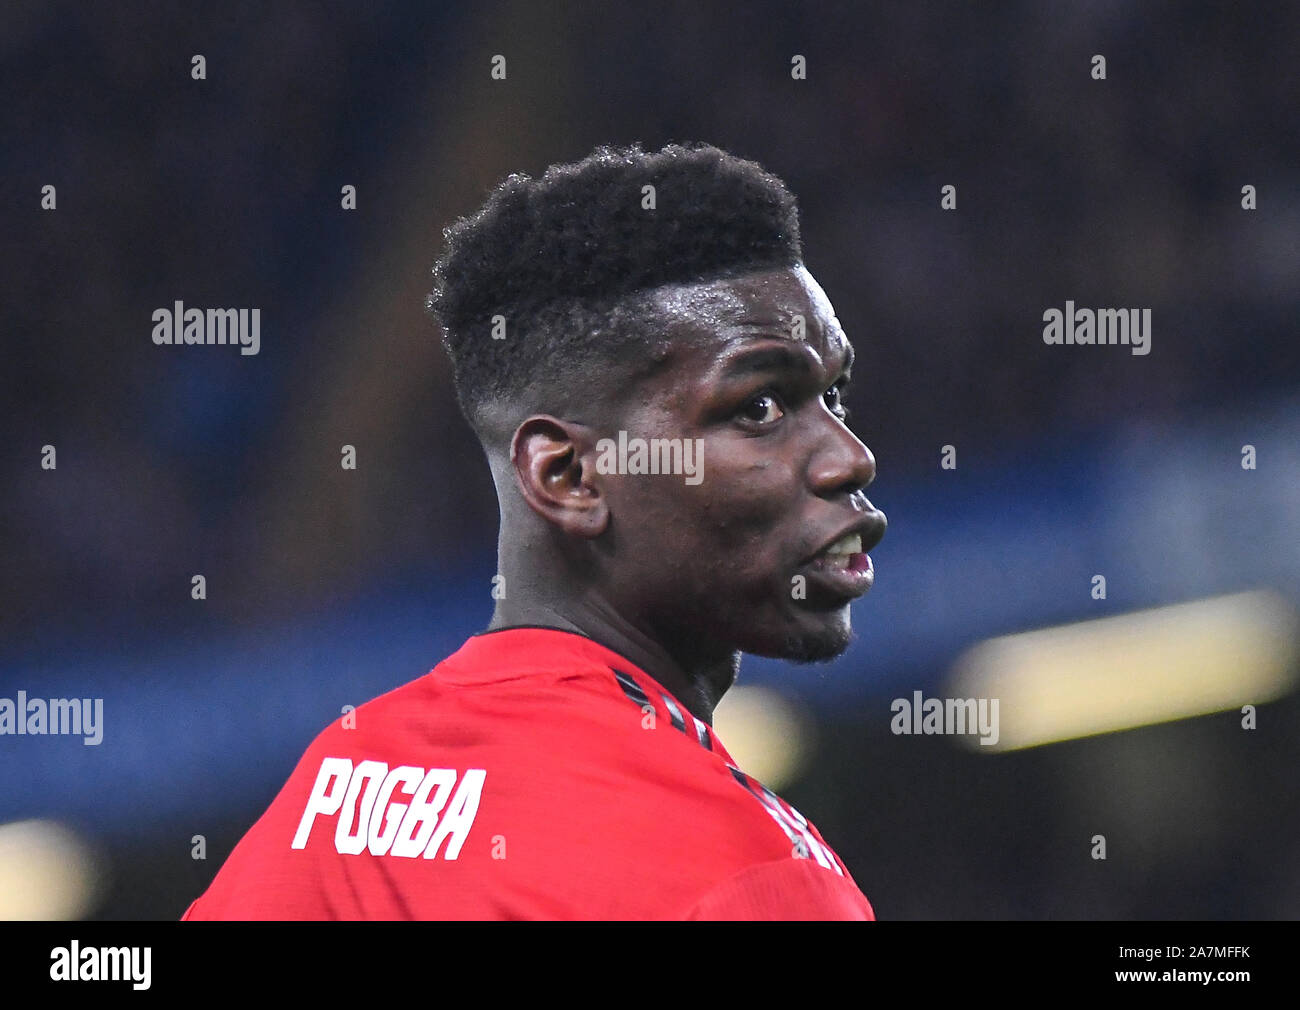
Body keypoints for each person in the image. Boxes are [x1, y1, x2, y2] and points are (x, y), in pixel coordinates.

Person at [182, 141, 886, 920]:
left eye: (836, 396)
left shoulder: (338, 787)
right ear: (569, 477)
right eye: (759, 407)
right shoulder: (750, 877)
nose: (849, 459)